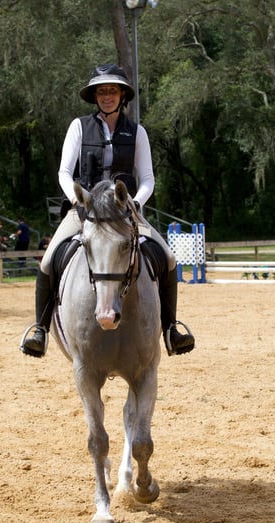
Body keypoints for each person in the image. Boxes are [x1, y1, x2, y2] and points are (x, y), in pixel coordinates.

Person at [20, 63, 195, 358]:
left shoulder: (136, 133)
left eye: (112, 91)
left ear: (122, 95)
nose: (107, 96)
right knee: (49, 261)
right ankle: (40, 329)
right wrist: (77, 200)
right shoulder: (79, 126)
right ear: (95, 96)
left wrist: (135, 203)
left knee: (168, 257)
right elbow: (64, 172)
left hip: (125, 213)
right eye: (101, 92)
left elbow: (148, 178)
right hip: (85, 210)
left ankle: (170, 329)